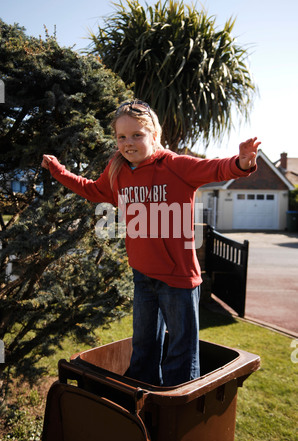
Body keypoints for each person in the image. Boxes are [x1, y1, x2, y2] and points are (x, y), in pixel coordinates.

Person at [42, 99, 260, 386]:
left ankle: (177, 408)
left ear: (154, 136)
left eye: (137, 135)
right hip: (142, 274)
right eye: (121, 136)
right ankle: (142, 401)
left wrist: (241, 163)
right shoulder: (117, 169)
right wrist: (59, 172)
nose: (128, 143)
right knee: (143, 347)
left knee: (181, 355)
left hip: (178, 280)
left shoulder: (175, 165)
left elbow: (215, 169)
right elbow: (93, 190)